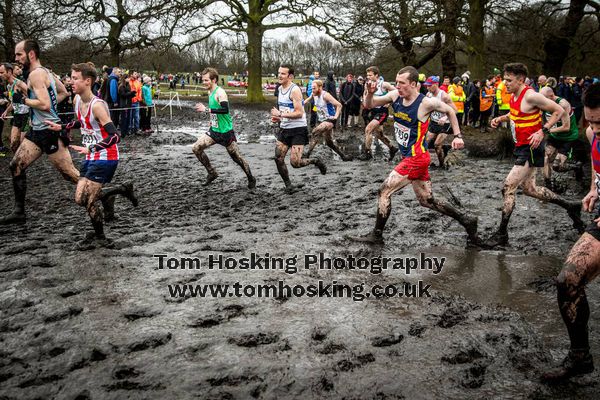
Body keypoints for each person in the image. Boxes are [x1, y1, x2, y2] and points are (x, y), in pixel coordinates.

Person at [348, 66, 478, 245]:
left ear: (414, 84)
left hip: (416, 158)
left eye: (402, 83)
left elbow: (450, 110)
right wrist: (370, 93)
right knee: (427, 201)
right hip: (413, 157)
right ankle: (467, 220)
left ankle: (376, 235)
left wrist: (457, 136)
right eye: (397, 82)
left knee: (384, 191)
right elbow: (370, 104)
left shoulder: (426, 103)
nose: (398, 86)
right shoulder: (395, 96)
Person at [482, 63, 584, 248]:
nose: (505, 84)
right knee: (530, 190)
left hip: (531, 147)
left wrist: (542, 131)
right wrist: (501, 118)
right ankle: (570, 205)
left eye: (509, 80)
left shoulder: (531, 95)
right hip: (522, 147)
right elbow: (516, 114)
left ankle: (501, 234)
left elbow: (558, 111)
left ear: (520, 79)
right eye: (504, 80)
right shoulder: (513, 95)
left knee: (508, 187)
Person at [541, 83, 600, 383]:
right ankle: (580, 357)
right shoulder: (592, 134)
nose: (595, 128)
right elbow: (597, 159)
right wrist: (593, 188)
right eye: (591, 121)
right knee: (567, 281)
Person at [44, 62, 138, 245]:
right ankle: (121, 190)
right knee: (79, 198)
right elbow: (82, 123)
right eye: (71, 77)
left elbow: (115, 136)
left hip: (106, 157)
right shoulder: (78, 100)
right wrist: (62, 126)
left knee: (89, 199)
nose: (71, 81)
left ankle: (101, 237)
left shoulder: (98, 106)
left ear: (87, 81)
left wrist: (92, 148)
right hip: (90, 155)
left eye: (75, 78)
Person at [0, 39, 78, 225]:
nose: (16, 58)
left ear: (31, 54)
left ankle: (108, 193)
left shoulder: (35, 74)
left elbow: (44, 103)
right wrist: (32, 97)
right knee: (15, 165)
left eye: (19, 54)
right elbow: (62, 93)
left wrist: (24, 101)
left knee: (70, 174)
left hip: (49, 132)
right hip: (37, 130)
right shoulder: (46, 73)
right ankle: (19, 212)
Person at [192, 67, 256, 189]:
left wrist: (206, 109)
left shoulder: (220, 92)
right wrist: (211, 121)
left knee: (237, 158)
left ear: (214, 80)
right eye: (203, 80)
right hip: (214, 131)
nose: (203, 83)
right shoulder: (209, 91)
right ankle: (212, 173)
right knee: (196, 148)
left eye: (206, 80)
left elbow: (225, 109)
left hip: (226, 132)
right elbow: (214, 111)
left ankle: (251, 178)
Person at [270, 64, 326, 192]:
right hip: (284, 129)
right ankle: (289, 186)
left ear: (290, 76)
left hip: (298, 130)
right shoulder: (279, 89)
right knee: (278, 159)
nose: (279, 75)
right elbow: (284, 109)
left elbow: (299, 113)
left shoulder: (294, 90)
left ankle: (315, 161)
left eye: (283, 74)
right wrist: (278, 117)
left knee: (295, 163)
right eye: (279, 73)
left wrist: (281, 114)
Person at [540, 87, 580, 188]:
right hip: (554, 137)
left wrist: (546, 130)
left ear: (551, 96)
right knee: (544, 158)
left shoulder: (563, 105)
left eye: (544, 99)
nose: (542, 102)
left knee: (557, 167)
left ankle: (576, 167)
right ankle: (548, 185)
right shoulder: (544, 104)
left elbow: (566, 127)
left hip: (568, 138)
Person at [304, 79, 352, 161]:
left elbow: (339, 105)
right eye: (312, 88)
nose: (313, 90)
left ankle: (306, 153)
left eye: (314, 88)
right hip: (322, 120)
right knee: (329, 143)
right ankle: (343, 156)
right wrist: (311, 101)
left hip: (330, 120)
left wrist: (336, 117)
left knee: (315, 131)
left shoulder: (326, 95)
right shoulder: (314, 95)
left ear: (320, 87)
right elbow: (306, 104)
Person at [358, 66, 398, 161]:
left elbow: (397, 92)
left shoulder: (384, 84)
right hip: (372, 111)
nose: (368, 77)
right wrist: (364, 101)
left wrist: (389, 103)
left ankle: (367, 153)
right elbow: (365, 94)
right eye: (367, 75)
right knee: (379, 135)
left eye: (370, 75)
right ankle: (392, 148)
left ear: (376, 75)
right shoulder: (367, 84)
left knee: (368, 130)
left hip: (381, 112)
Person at [424, 76, 456, 168]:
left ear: (436, 84)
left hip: (445, 124)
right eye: (427, 86)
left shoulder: (444, 96)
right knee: (425, 142)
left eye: (429, 85)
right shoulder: (428, 95)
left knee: (437, 145)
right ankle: (427, 163)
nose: (427, 88)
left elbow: (455, 110)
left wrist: (445, 117)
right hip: (434, 123)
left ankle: (442, 165)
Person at [0, 63, 29, 153]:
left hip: (26, 116)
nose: (0, 75)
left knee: (22, 145)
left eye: (1, 72)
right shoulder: (9, 86)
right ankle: (18, 164)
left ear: (9, 72)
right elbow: (13, 102)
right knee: (13, 145)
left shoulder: (20, 84)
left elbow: (34, 98)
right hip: (17, 116)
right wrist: (6, 111)